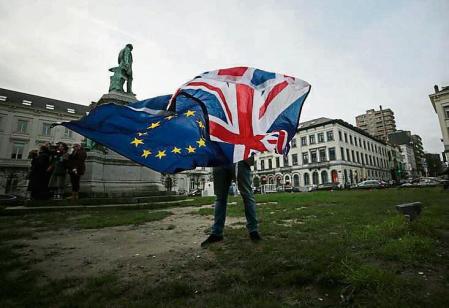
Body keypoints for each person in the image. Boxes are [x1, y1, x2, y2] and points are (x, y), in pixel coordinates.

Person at [201, 158, 261, 248]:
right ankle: (217, 233)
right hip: (220, 159)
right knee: (220, 198)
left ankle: (253, 230)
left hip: (239, 158)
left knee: (247, 195)